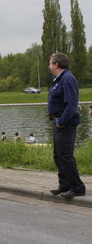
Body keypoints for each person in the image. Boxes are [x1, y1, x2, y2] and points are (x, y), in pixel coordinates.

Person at [47, 52, 86, 199]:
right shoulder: (59, 79)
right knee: (58, 155)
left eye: (50, 63)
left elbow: (71, 105)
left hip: (65, 124)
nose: (49, 65)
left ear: (56, 64)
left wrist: (61, 122)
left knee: (65, 156)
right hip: (57, 121)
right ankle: (64, 184)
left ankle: (77, 187)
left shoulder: (67, 79)